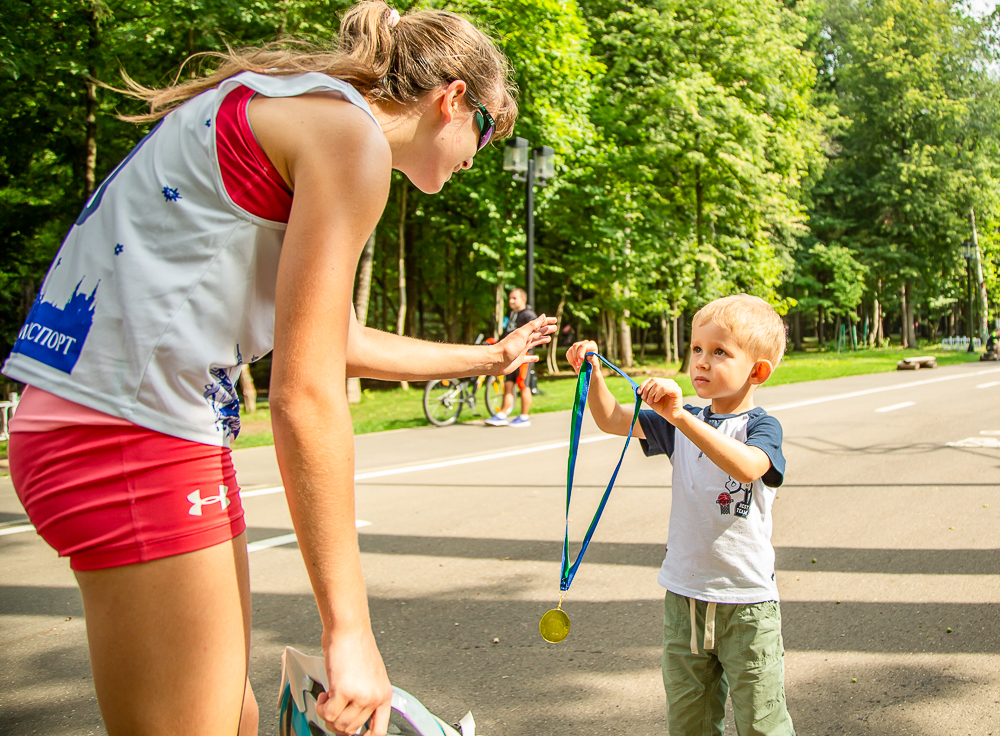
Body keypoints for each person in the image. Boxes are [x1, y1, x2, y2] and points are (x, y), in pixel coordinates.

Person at [1, 4, 556, 735]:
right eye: (483, 130)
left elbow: (335, 337)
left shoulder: (292, 105)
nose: (476, 155)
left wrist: (486, 358)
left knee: (235, 717)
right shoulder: (348, 140)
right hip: (133, 437)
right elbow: (305, 392)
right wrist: (350, 631)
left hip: (120, 425)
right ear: (450, 99)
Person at [566, 294, 794, 736]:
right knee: (689, 722)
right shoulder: (682, 418)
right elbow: (612, 418)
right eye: (696, 350)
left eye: (719, 352)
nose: (701, 363)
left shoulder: (760, 427)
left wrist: (678, 417)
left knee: (762, 724)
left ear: (758, 371)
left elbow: (746, 466)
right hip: (683, 597)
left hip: (746, 604)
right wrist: (592, 374)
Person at [486, 287, 537, 427]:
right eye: (510, 298)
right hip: (511, 357)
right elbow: (507, 335)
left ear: (523, 299)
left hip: (524, 355)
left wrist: (527, 348)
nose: (511, 301)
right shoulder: (513, 315)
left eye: (515, 298)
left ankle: (524, 416)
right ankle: (503, 414)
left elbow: (534, 332)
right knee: (508, 384)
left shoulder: (528, 315)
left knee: (523, 384)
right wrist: (495, 344)